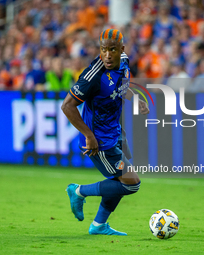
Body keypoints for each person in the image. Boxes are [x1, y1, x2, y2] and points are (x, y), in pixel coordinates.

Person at [61, 29, 149, 236]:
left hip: (115, 132)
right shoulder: (93, 76)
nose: (107, 55)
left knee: (121, 179)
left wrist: (135, 98)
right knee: (131, 184)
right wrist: (89, 136)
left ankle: (99, 225)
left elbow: (120, 87)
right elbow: (67, 106)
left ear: (122, 50)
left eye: (112, 49)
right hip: (101, 142)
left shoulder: (124, 62)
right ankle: (78, 191)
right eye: (103, 49)